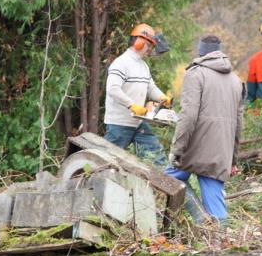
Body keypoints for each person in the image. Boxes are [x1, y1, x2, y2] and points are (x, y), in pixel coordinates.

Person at [166, 35, 244, 225]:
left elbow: (188, 116)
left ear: (200, 52)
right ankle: (220, 240)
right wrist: (232, 158)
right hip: (221, 151)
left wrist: (177, 150)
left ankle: (201, 218)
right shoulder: (236, 80)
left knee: (169, 179)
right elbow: (239, 124)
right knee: (216, 204)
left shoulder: (196, 74)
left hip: (196, 148)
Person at [104, 23, 171, 165]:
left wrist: (162, 97)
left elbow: (150, 87)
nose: (150, 49)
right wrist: (131, 105)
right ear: (139, 42)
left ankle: (163, 181)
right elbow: (113, 89)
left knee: (156, 156)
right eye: (149, 45)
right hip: (119, 123)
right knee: (107, 162)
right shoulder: (121, 63)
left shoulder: (143, 66)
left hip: (138, 122)